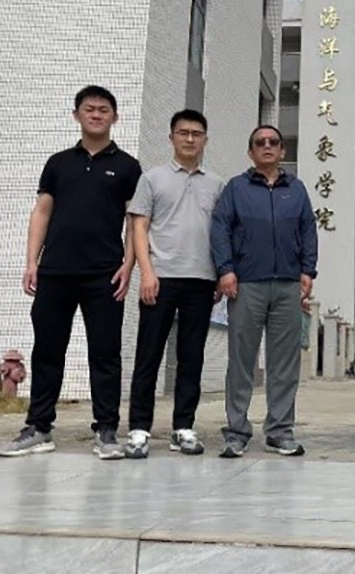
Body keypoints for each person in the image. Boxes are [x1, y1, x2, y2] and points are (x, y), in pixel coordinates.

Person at [0, 85, 141, 460]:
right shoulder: (58, 163)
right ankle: (39, 427)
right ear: (76, 114)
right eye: (89, 109)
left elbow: (135, 222)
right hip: (55, 272)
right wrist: (32, 262)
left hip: (105, 275)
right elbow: (42, 212)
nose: (96, 114)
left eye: (104, 109)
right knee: (47, 350)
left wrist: (129, 264)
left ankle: (106, 430)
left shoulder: (128, 167)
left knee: (105, 355)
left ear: (115, 117)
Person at [210, 125, 318, 458]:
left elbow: (308, 229)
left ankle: (280, 431)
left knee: (284, 364)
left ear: (282, 151)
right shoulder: (236, 188)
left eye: (273, 142)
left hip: (287, 285)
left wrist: (307, 270)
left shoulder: (296, 190)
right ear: (251, 152)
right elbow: (220, 228)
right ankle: (236, 432)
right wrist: (226, 269)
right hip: (246, 284)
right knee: (241, 361)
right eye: (260, 143)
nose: (267, 146)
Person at [124, 109, 223, 459]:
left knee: (191, 358)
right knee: (148, 355)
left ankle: (183, 427)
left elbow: (221, 233)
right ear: (171, 138)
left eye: (197, 133)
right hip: (160, 278)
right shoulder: (152, 179)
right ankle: (139, 428)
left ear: (205, 140)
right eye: (183, 133)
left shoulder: (217, 184)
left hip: (201, 280)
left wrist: (219, 274)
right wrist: (146, 272)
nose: (190, 139)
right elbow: (138, 227)